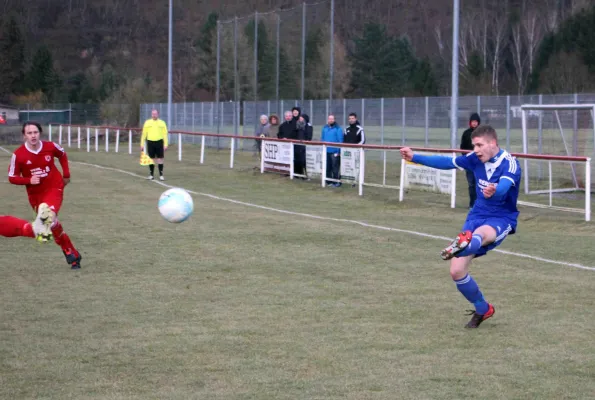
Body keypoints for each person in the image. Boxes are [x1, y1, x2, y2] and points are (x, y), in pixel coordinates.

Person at [400, 125, 521, 328]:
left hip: (500, 217)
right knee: (456, 272)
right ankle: (484, 309)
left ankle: (462, 244)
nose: (476, 149)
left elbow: (503, 189)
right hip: (476, 214)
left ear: (493, 143)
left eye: (480, 145)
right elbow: (447, 162)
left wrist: (495, 190)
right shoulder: (475, 159)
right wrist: (414, 157)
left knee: (480, 236)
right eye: (474, 145)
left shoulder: (510, 164)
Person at [8, 121, 82, 269]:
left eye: (35, 132)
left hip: (54, 188)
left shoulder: (50, 146)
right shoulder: (18, 155)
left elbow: (62, 154)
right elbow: (12, 177)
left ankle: (68, 251)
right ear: (24, 136)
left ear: (39, 133)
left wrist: (66, 174)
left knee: (48, 217)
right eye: (29, 133)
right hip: (35, 195)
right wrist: (28, 180)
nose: (33, 135)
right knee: (52, 223)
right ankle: (72, 252)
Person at [141, 109, 168, 181]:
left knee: (160, 159)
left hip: (159, 142)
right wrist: (142, 144)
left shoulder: (162, 123)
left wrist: (165, 144)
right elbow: (144, 134)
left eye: (155, 114)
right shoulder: (147, 122)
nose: (154, 115)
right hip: (150, 142)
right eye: (153, 114)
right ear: (151, 114)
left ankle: (161, 175)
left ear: (158, 114)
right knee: (151, 159)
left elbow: (165, 134)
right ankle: (151, 175)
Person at [460, 113, 481, 208]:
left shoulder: (482, 134)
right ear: (470, 122)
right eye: (473, 122)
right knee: (471, 183)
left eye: (476, 122)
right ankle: (472, 204)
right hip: (469, 163)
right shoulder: (466, 133)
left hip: (480, 163)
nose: (474, 123)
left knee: (480, 183)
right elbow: (462, 148)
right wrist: (466, 158)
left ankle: (480, 204)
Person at [321, 114, 343, 187]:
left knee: (335, 168)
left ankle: (336, 182)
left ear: (334, 120)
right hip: (326, 151)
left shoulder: (338, 129)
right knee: (328, 167)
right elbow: (322, 139)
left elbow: (340, 141)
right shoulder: (324, 128)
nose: (330, 120)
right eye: (329, 119)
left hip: (335, 152)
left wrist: (338, 151)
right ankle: (329, 181)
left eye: (332, 119)